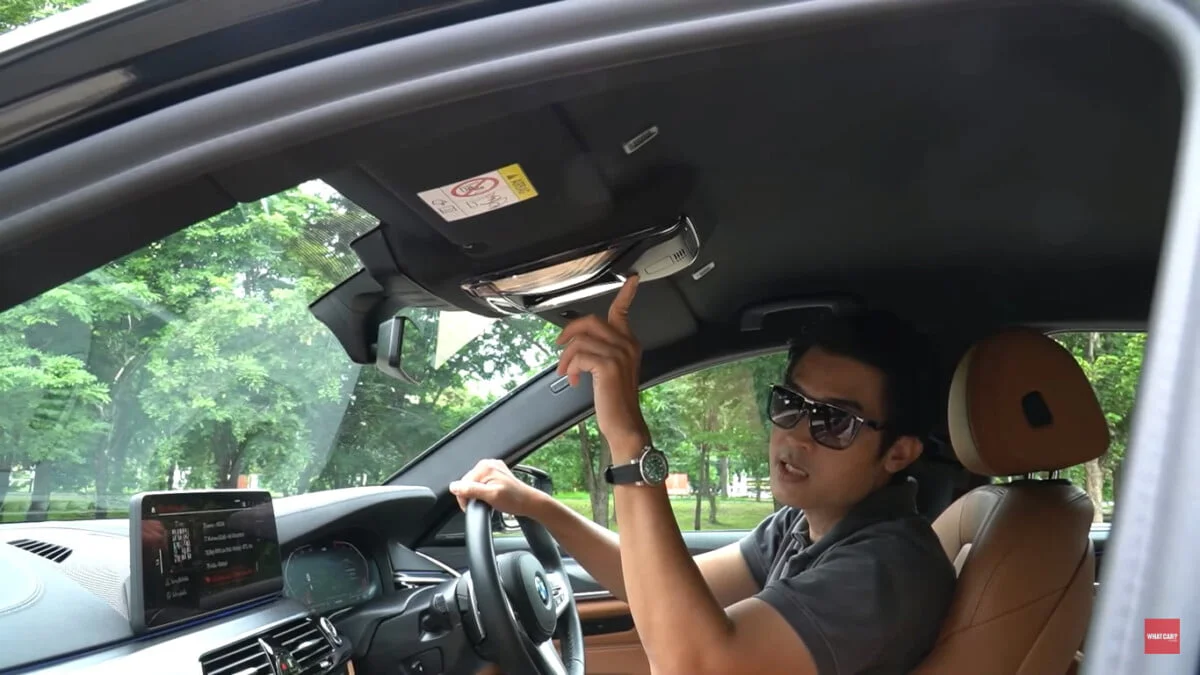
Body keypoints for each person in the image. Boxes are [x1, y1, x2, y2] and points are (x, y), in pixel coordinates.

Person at [451, 276, 956, 675]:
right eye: (791, 403)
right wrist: (538, 506)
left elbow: (691, 666)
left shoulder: (890, 569)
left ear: (898, 454)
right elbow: (653, 581)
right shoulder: (802, 525)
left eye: (835, 421)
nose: (797, 436)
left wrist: (629, 440)